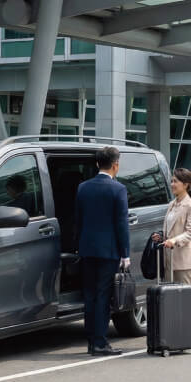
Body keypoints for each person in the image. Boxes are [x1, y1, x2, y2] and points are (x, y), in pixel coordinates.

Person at [74, 146, 131, 356]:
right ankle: (100, 342)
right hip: (108, 251)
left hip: (87, 249)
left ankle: (91, 342)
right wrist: (125, 254)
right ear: (115, 165)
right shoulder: (118, 189)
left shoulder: (83, 187)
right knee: (103, 297)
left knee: (89, 296)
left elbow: (77, 221)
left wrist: (78, 246)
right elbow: (121, 224)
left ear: (98, 164)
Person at [152, 168, 191, 348]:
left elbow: (190, 233)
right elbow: (170, 229)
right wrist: (162, 237)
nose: (172, 184)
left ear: (185, 184)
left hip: (184, 259)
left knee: (190, 297)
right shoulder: (172, 204)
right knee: (173, 299)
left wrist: (174, 241)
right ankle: (177, 334)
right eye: (171, 181)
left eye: (175, 181)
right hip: (168, 259)